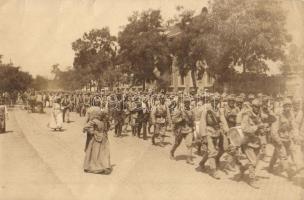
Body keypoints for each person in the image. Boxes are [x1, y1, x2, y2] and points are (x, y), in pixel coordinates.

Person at [268, 98, 297, 179]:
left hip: (287, 138)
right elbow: (273, 130)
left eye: (289, 106)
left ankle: (270, 166)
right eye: (286, 106)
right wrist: (278, 141)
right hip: (278, 138)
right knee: (283, 155)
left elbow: (294, 126)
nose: (288, 108)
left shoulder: (291, 115)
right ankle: (289, 172)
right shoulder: (279, 116)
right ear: (283, 107)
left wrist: (294, 135)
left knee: (280, 153)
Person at [83, 98, 111, 174]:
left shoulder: (89, 109)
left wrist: (88, 130)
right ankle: (102, 165)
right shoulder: (102, 110)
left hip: (93, 131)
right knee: (101, 150)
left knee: (90, 148)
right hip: (100, 132)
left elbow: (86, 121)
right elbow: (107, 123)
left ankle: (88, 165)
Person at [170, 97, 195, 164]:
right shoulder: (180, 110)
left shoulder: (191, 110)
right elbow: (174, 119)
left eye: (188, 102)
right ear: (184, 103)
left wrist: (193, 126)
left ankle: (188, 159)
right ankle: (172, 152)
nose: (187, 103)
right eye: (186, 102)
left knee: (190, 144)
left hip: (188, 129)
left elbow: (193, 119)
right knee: (177, 143)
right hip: (180, 129)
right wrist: (181, 119)